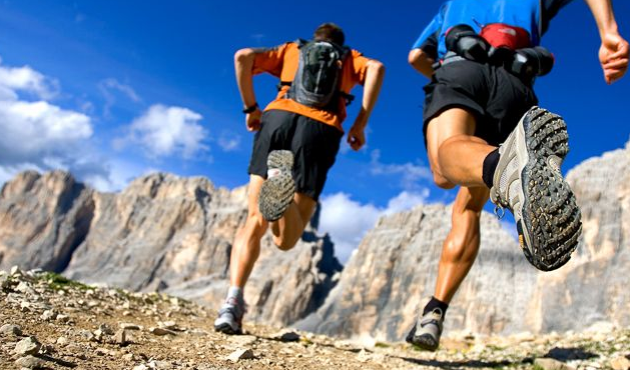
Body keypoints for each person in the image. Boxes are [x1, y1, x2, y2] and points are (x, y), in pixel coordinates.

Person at [405, 0, 628, 351]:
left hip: (462, 68)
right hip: (516, 85)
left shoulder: (450, 7)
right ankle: (435, 309)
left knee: (446, 166)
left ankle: (504, 168)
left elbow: (416, 57)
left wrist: (444, 70)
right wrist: (609, 32)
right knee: (470, 200)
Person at [214, 23, 385, 334]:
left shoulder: (292, 49)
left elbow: (243, 56)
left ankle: (232, 302)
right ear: (339, 44)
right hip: (320, 129)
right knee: (286, 240)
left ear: (315, 39)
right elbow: (376, 67)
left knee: (255, 219)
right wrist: (360, 122)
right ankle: (283, 184)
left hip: (276, 118)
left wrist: (250, 108)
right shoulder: (349, 58)